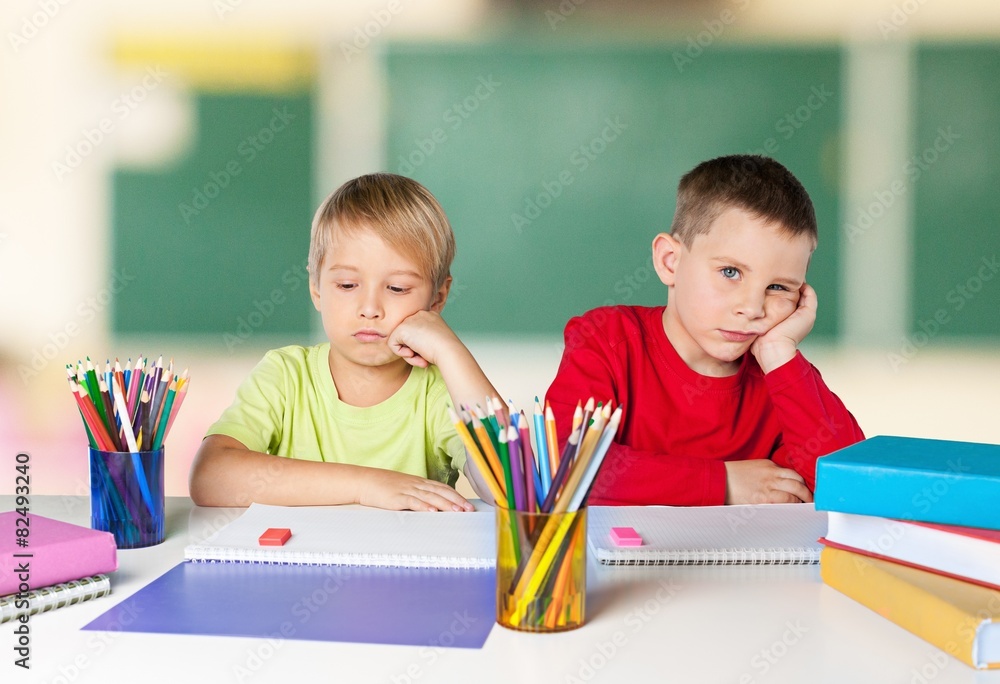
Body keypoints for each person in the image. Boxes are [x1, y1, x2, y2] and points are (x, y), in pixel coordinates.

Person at [545, 155, 864, 506]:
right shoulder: (607, 339)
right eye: (730, 272)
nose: (752, 308)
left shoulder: (782, 378)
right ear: (671, 261)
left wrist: (780, 356)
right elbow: (566, 467)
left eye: (778, 288)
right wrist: (724, 482)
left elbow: (851, 485)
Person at [190, 173, 498, 511]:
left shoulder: (441, 390)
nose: (369, 309)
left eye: (396, 288)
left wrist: (450, 351)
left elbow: (510, 487)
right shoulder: (286, 376)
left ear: (437, 299)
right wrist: (367, 484)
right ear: (317, 288)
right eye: (348, 285)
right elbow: (210, 477)